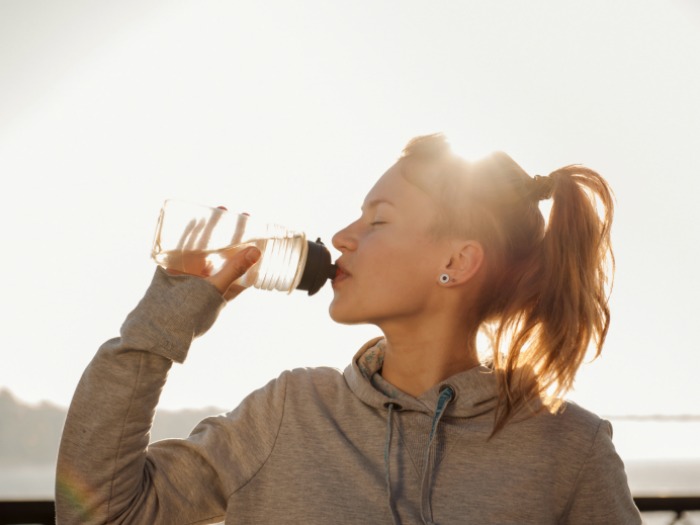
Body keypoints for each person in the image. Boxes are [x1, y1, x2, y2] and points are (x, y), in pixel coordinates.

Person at [56, 134, 642, 524]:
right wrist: (168, 314)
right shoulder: (289, 412)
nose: (341, 236)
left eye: (378, 218)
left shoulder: (570, 451)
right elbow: (98, 513)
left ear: (458, 262)